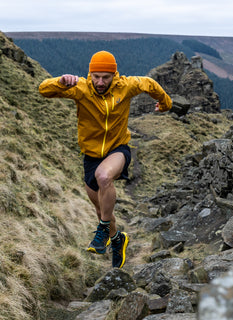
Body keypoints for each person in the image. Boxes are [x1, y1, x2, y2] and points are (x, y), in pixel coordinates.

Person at [39, 51, 172, 269]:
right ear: (90, 74)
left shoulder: (126, 86)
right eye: (96, 76)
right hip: (91, 156)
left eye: (106, 77)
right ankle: (118, 239)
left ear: (114, 75)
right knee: (103, 210)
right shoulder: (81, 88)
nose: (100, 82)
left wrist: (165, 103)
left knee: (104, 177)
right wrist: (60, 82)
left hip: (118, 150)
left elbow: (149, 84)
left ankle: (101, 231)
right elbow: (43, 90)